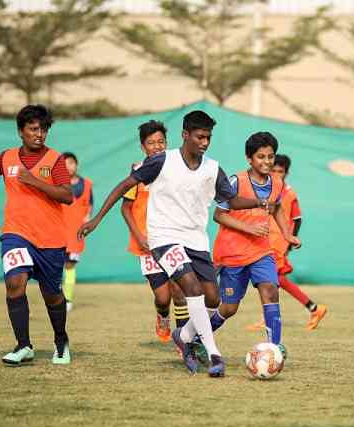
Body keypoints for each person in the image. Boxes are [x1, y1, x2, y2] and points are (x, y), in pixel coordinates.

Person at [78, 110, 270, 377]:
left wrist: (258, 202)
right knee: (190, 287)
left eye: (208, 138)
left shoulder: (212, 168)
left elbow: (230, 200)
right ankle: (214, 354)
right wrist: (97, 218)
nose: (204, 142)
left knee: (213, 298)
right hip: (163, 237)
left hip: (196, 239)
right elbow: (124, 186)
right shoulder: (161, 161)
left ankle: (183, 334)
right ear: (185, 135)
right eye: (200, 137)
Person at [0, 104, 74, 366]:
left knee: (52, 295)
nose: (39, 134)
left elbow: (67, 195)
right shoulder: (6, 158)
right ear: (21, 131)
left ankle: (61, 341)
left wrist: (35, 181)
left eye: (43, 129)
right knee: (14, 284)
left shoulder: (55, 160)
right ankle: (23, 346)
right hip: (16, 234)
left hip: (50, 240)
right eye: (33, 129)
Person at [210, 133, 301, 355]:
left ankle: (274, 347)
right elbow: (219, 215)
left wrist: (287, 234)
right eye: (261, 157)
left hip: (262, 250)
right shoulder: (235, 181)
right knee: (229, 308)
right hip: (233, 254)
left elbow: (276, 207)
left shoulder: (277, 183)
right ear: (249, 158)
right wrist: (249, 228)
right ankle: (196, 338)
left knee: (271, 290)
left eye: (271, 157)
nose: (267, 162)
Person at [120, 120, 189, 343]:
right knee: (162, 297)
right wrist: (139, 237)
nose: (157, 146)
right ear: (143, 146)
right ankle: (162, 315)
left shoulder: (176, 169)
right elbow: (126, 208)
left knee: (179, 291)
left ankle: (183, 341)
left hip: (173, 240)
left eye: (161, 142)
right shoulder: (137, 172)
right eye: (151, 143)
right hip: (148, 245)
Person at [246, 154, 327, 332]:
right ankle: (313, 308)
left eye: (280, 171)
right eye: (273, 170)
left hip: (277, 243)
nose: (276, 174)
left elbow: (297, 219)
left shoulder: (288, 193)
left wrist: (289, 241)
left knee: (269, 280)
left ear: (286, 173)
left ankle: (309, 309)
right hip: (264, 240)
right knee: (273, 280)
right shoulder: (267, 189)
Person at [61, 152, 93, 312]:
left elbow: (89, 207)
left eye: (71, 163)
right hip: (57, 234)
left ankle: (67, 299)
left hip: (75, 235)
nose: (68, 166)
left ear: (76, 164)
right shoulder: (57, 185)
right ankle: (56, 298)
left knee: (70, 266)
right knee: (53, 267)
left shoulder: (86, 184)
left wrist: (87, 221)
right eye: (65, 164)